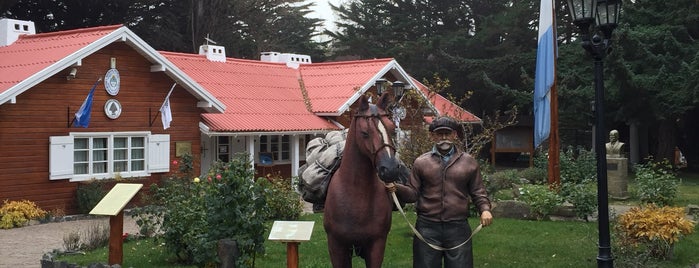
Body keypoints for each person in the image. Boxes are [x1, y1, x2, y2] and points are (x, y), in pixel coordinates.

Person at [390, 116, 492, 268]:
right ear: (432, 136)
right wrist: (397, 188)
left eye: (447, 133)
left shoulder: (469, 162)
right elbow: (412, 194)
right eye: (439, 134)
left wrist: (485, 210)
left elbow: (478, 191)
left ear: (454, 135)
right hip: (427, 227)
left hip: (458, 227)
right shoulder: (421, 163)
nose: (444, 137)